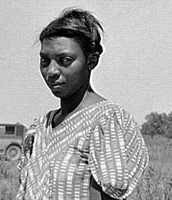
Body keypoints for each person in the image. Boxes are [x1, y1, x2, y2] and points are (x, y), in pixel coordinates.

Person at [16, 8, 149, 200]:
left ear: (91, 60)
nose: (51, 71)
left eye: (65, 60)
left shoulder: (104, 121)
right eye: (45, 60)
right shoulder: (41, 127)